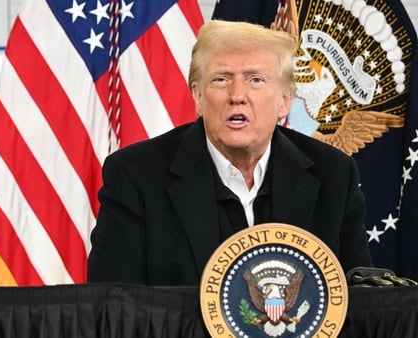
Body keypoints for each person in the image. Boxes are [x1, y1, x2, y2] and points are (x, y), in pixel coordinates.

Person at [87, 19, 372, 286]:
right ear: (198, 97)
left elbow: (362, 303)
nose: (237, 95)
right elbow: (112, 307)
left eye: (256, 80)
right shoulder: (136, 175)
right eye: (221, 79)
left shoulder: (333, 173)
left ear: (285, 101)